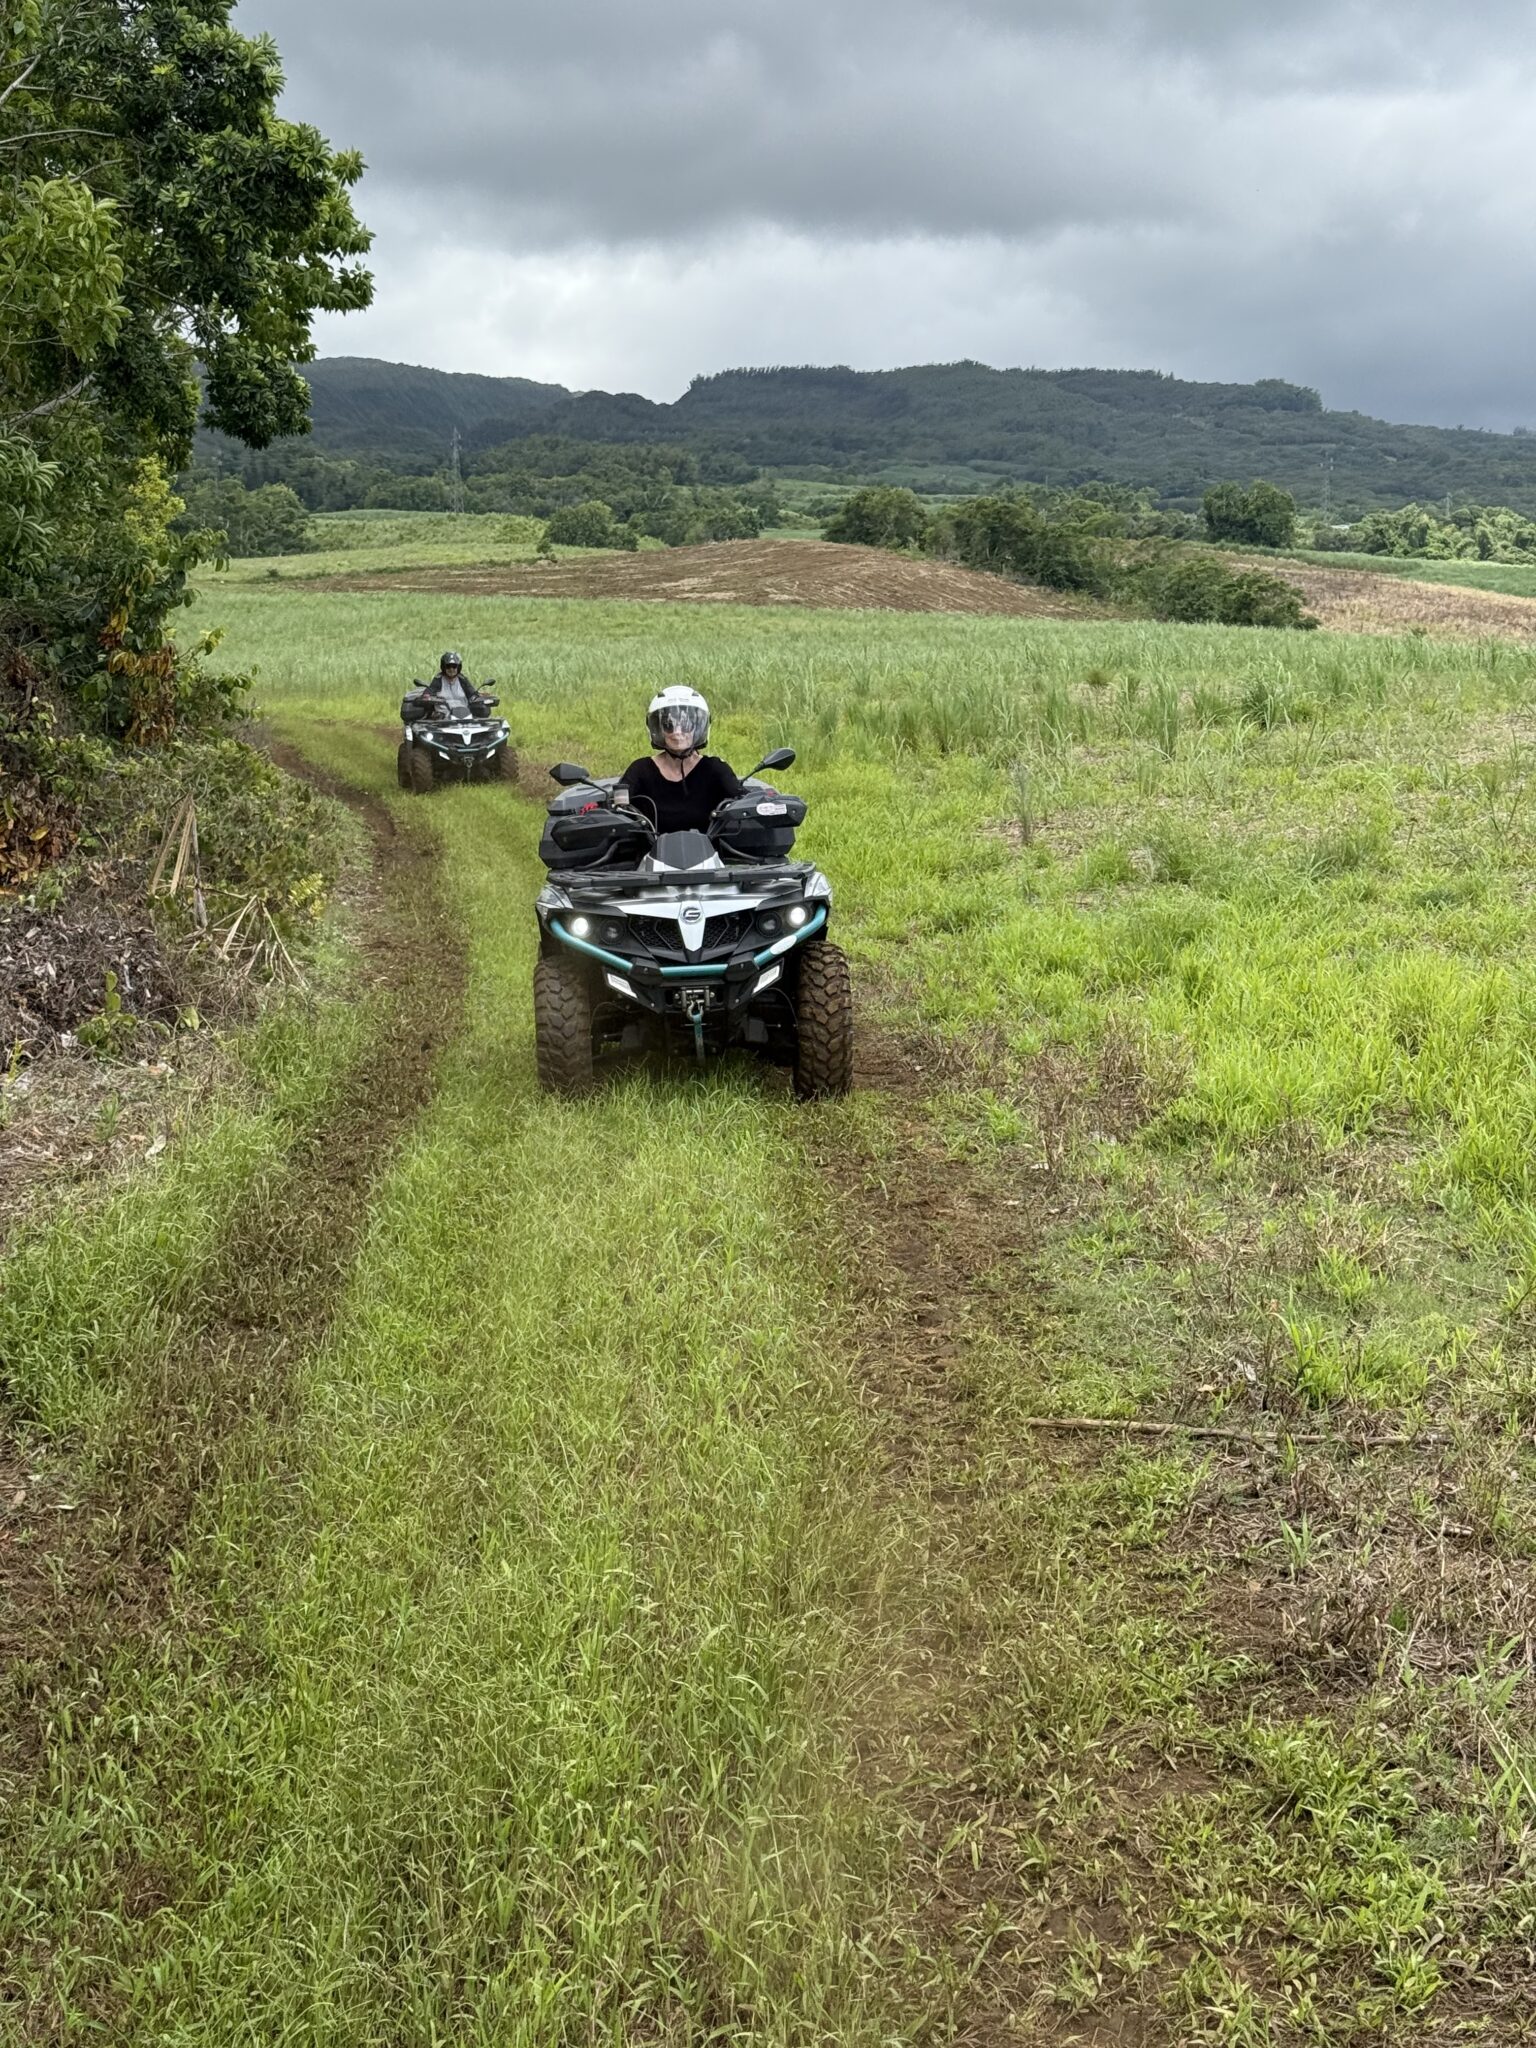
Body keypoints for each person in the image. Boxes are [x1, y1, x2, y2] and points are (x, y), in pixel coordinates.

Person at [617, 686, 742, 834]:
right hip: (651, 847)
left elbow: (743, 800)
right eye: (668, 725)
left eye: (686, 725)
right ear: (658, 729)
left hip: (708, 847)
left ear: (698, 727)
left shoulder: (715, 768)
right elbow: (617, 806)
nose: (677, 732)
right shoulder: (641, 769)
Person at [404, 652, 494, 722]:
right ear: (443, 667)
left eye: (454, 666)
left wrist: (480, 696)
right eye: (448, 666)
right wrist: (427, 697)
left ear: (458, 667)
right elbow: (429, 692)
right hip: (443, 719)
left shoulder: (462, 680)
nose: (451, 669)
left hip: (465, 717)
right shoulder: (438, 680)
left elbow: (472, 694)